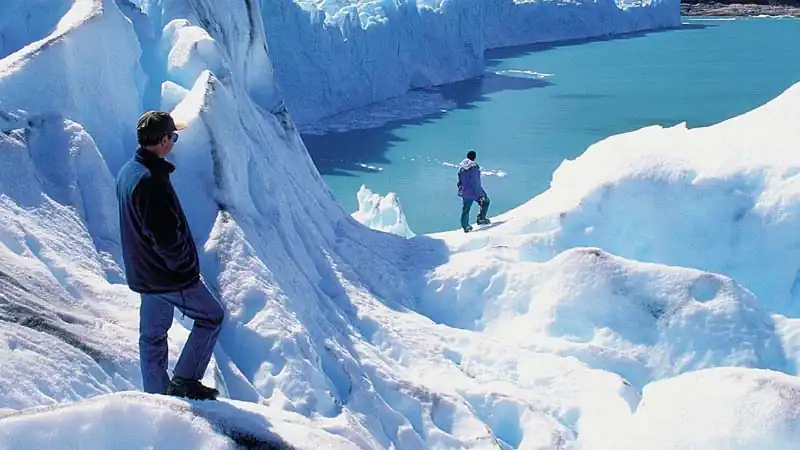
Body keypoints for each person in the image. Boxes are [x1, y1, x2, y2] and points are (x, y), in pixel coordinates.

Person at [116, 111, 225, 401]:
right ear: (163, 140)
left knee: (152, 336)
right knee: (212, 317)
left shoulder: (129, 171)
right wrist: (186, 270)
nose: (175, 141)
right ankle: (185, 381)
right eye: (173, 136)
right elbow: (165, 238)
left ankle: (156, 397)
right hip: (168, 276)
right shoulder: (150, 182)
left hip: (145, 274)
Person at [456, 150, 490, 232]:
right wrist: (480, 194)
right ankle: (481, 218)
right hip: (474, 191)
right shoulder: (474, 167)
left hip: (464, 191)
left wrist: (461, 189)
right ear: (474, 157)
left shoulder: (461, 167)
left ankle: (466, 226)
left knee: (466, 209)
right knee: (486, 201)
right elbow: (475, 182)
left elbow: (459, 181)